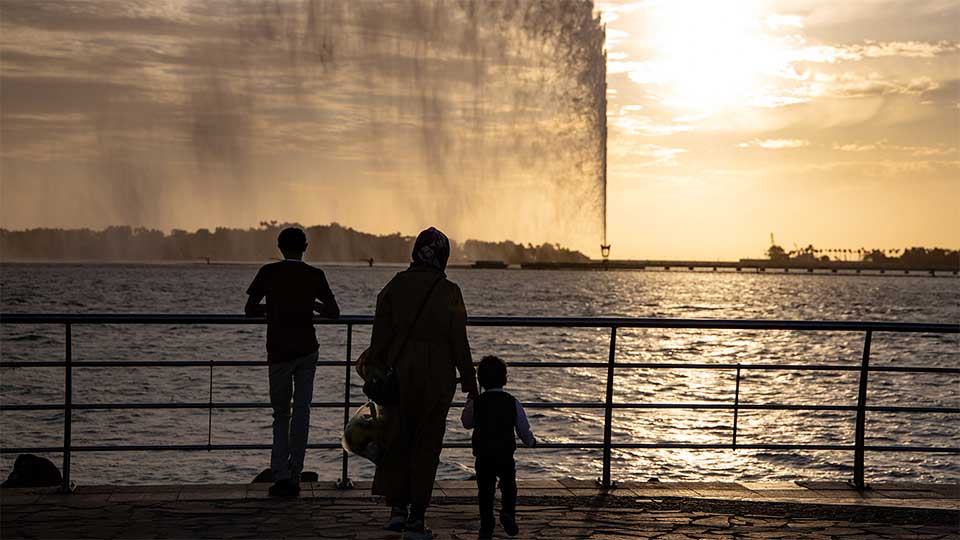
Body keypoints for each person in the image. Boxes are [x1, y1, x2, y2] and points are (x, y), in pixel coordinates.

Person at [356, 227, 478, 540]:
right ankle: (416, 518)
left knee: (396, 441)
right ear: (443, 256)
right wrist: (470, 383)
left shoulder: (394, 287)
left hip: (398, 375)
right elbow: (459, 342)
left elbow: (380, 337)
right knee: (427, 447)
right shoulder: (450, 291)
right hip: (437, 379)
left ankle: (396, 509)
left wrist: (374, 368)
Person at [245, 227, 340, 497]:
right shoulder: (314, 275)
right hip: (307, 350)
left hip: (277, 352)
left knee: (280, 414)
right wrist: (311, 307)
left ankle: (280, 474)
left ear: (279, 247)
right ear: (305, 247)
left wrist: (275, 309)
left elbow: (250, 309)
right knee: (302, 411)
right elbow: (334, 312)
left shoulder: (268, 273)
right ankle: (296, 472)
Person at [461, 355, 536, 539]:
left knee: (485, 490)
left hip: (483, 455)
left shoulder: (478, 402)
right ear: (504, 379)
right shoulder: (512, 401)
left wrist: (471, 399)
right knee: (509, 486)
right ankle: (507, 513)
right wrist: (531, 441)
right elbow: (522, 427)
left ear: (480, 380)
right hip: (505, 454)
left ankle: (487, 523)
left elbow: (466, 422)